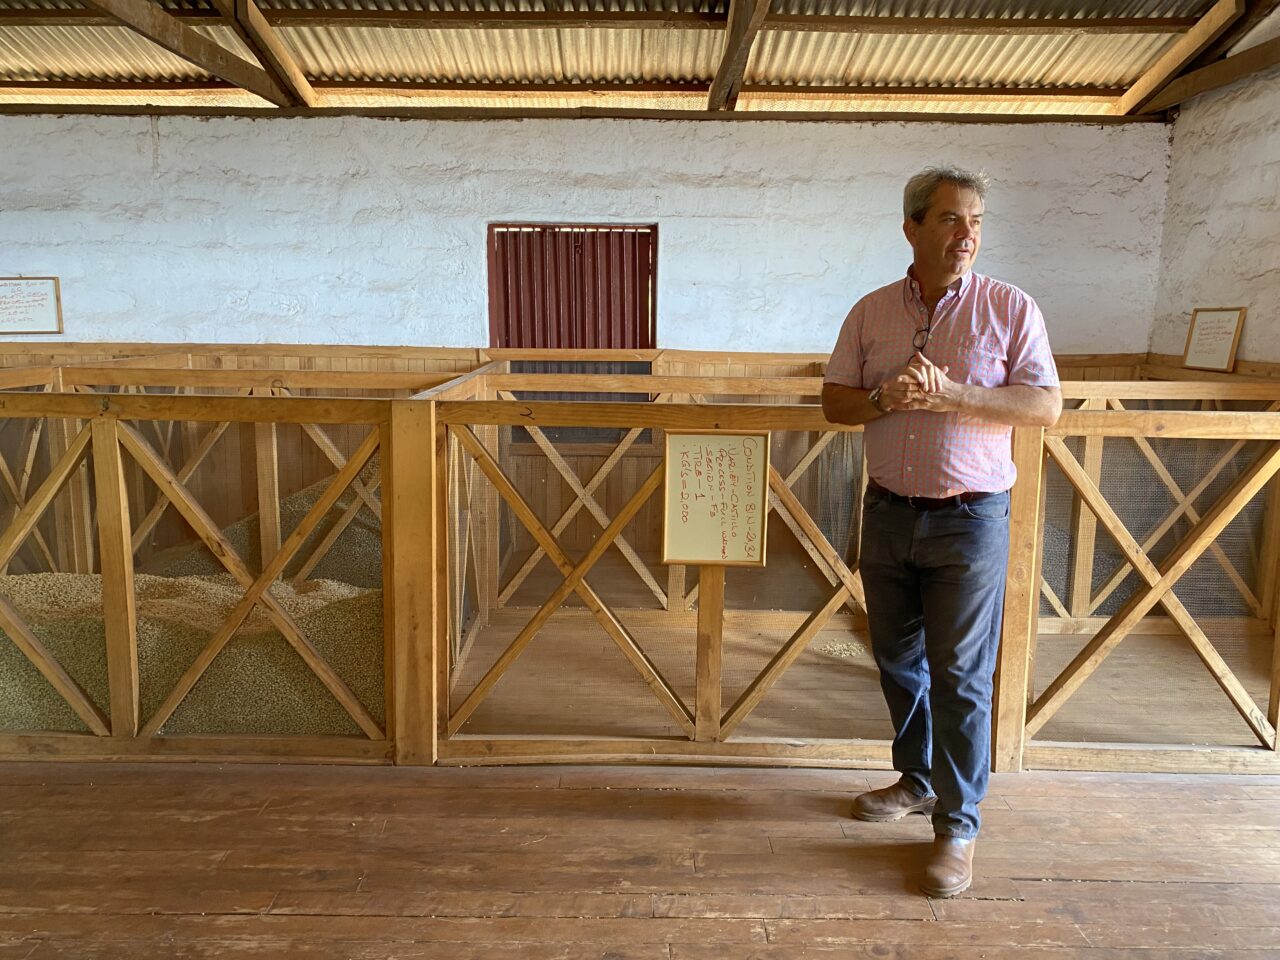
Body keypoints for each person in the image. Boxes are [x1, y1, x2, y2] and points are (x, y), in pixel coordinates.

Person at [821, 166, 1062, 898]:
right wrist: (881, 397)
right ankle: (917, 779)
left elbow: (1045, 406)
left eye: (976, 221)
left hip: (971, 517)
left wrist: (954, 393)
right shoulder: (870, 311)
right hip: (887, 510)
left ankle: (958, 826)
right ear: (912, 227)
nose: (967, 235)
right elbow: (834, 403)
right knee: (897, 659)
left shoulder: (1011, 307)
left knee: (960, 673)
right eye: (952, 219)